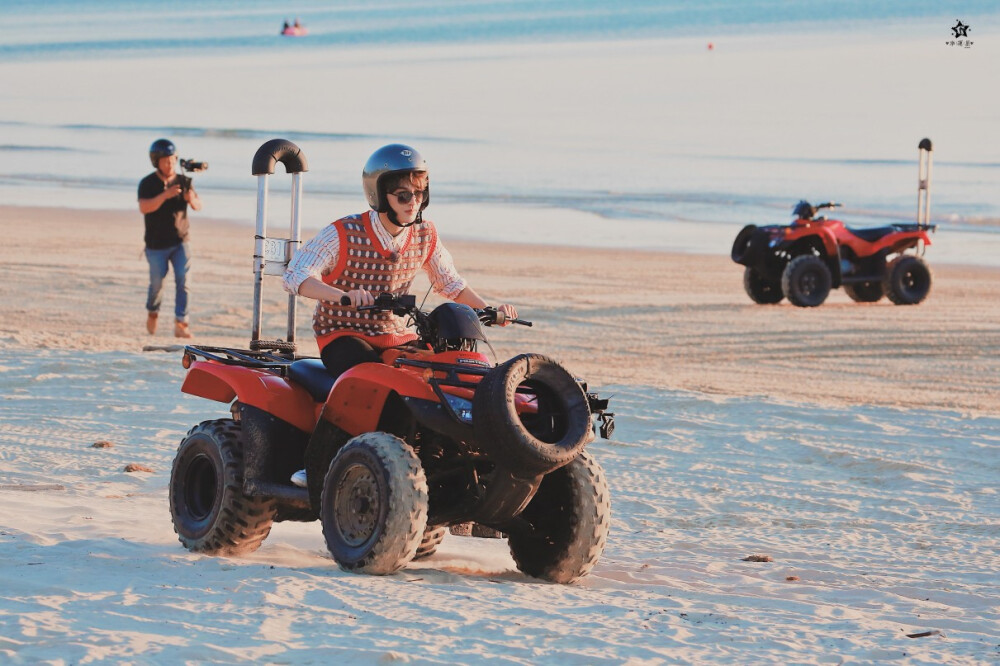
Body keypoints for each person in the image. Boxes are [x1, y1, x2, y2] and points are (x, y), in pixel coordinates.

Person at [284, 143, 517, 381]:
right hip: (342, 335)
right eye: (404, 195)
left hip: (396, 335)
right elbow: (296, 275)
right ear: (378, 194)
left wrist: (490, 311)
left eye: (419, 193)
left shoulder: (425, 235)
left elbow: (451, 283)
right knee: (374, 380)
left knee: (442, 372)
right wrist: (343, 296)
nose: (413, 202)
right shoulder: (343, 233)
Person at [137, 138, 202, 338]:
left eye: (173, 160)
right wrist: (165, 195)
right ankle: (153, 312)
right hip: (156, 244)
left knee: (184, 281)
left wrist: (191, 198)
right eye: (166, 161)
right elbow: (144, 207)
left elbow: (198, 206)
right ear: (156, 161)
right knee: (157, 284)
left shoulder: (183, 181)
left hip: (181, 240)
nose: (170, 164)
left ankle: (181, 323)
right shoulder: (147, 183)